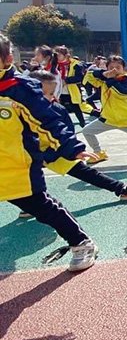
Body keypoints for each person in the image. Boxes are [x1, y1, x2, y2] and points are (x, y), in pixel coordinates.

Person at [0, 33, 99, 271]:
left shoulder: (19, 89)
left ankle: (81, 243)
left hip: (17, 165)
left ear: (7, 59)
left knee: (40, 206)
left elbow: (48, 121)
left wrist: (72, 148)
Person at [27, 69, 127, 203]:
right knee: (25, 180)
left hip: (52, 150)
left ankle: (122, 189)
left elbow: (65, 131)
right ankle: (31, 204)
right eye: (44, 94)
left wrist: (74, 150)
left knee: (84, 172)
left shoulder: (55, 109)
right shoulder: (17, 109)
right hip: (25, 154)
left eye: (51, 93)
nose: (50, 97)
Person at [54, 45, 88, 127]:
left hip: (71, 90)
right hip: (58, 91)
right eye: (56, 55)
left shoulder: (75, 64)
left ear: (65, 55)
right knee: (58, 108)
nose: (57, 57)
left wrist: (66, 80)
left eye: (59, 55)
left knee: (76, 108)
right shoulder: (55, 65)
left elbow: (79, 78)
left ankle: (82, 123)